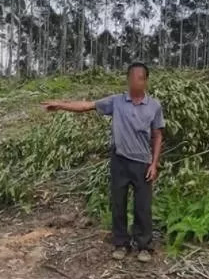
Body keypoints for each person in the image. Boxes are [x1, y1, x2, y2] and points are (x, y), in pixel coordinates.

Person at [41, 62, 165, 262]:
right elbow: (87, 106)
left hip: (142, 163)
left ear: (146, 80)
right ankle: (121, 243)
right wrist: (61, 105)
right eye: (132, 78)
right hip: (120, 161)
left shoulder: (154, 106)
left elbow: (157, 135)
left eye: (140, 79)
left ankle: (144, 246)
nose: (136, 82)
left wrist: (154, 164)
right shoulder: (116, 101)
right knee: (118, 204)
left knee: (143, 206)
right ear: (128, 80)